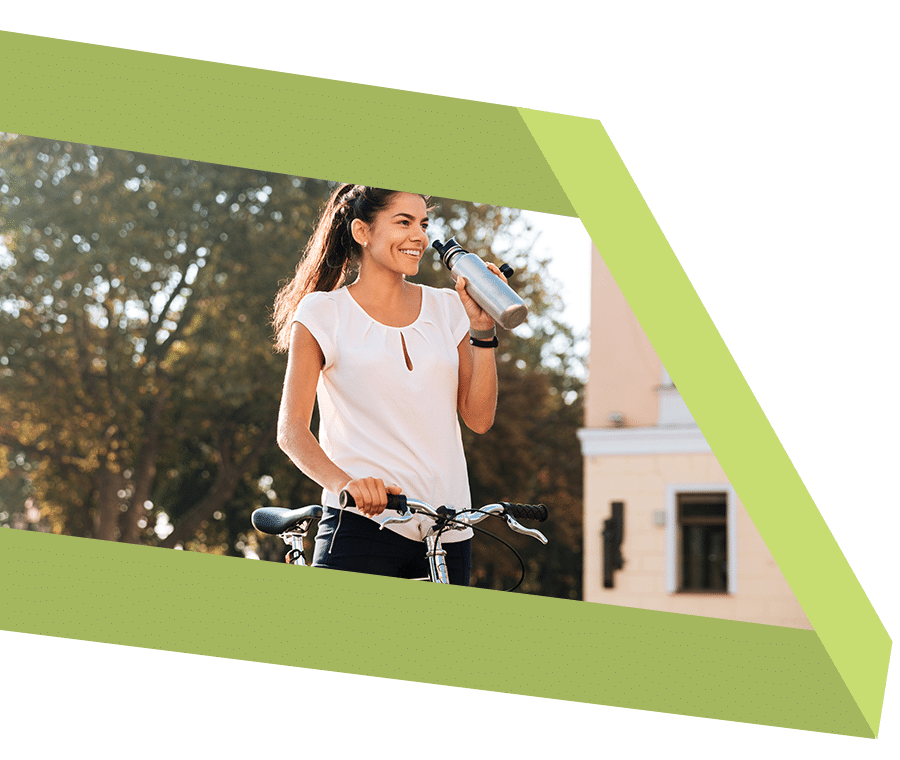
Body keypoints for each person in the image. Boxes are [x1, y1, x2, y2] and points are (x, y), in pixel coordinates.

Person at [271, 184, 506, 585]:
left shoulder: (447, 308)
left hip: (448, 530)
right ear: (363, 232)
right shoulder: (323, 312)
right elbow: (291, 431)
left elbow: (479, 419)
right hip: (364, 524)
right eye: (404, 222)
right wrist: (346, 485)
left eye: (423, 224)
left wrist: (482, 331)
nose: (419, 236)